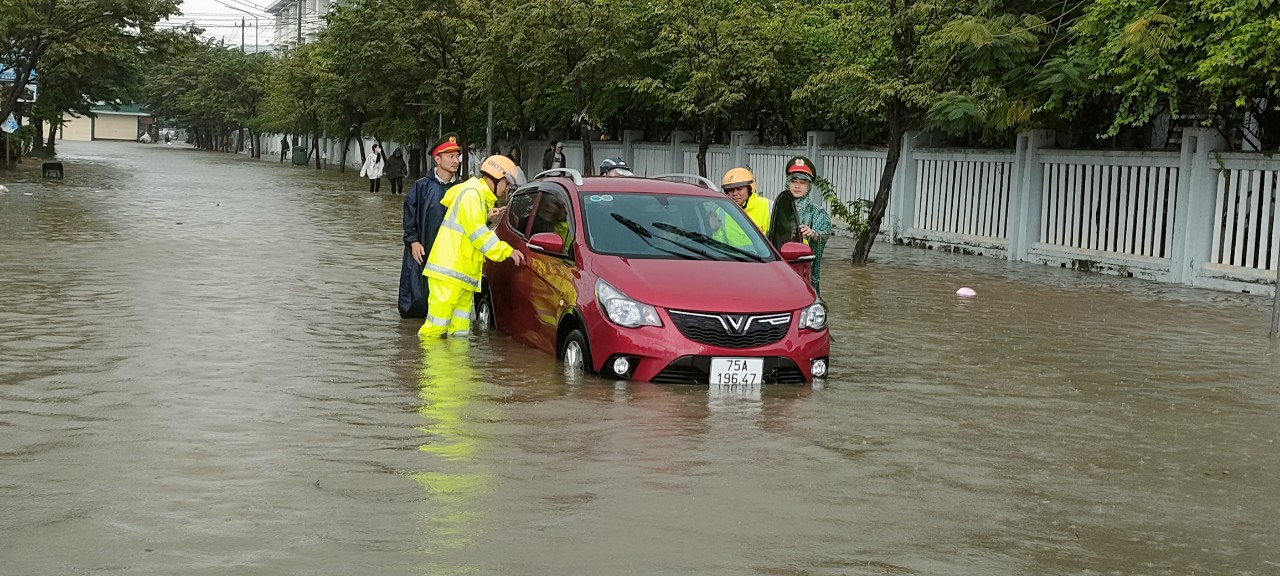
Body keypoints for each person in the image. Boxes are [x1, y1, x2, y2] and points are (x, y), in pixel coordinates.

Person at [419, 155, 528, 338]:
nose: (506, 189)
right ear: (495, 178)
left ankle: (457, 367)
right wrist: (507, 251)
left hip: (462, 275)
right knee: (434, 331)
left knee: (460, 333)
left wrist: (486, 215)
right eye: (506, 183)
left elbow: (470, 226)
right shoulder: (471, 194)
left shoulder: (477, 196)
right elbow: (479, 236)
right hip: (449, 273)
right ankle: (430, 367)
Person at [399, 134, 462, 319]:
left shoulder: (462, 188)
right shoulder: (421, 187)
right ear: (437, 159)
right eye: (450, 156)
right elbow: (409, 217)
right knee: (417, 302)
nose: (455, 161)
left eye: (457, 156)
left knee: (447, 308)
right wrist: (413, 241)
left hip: (451, 256)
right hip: (423, 250)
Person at [784, 156, 833, 292]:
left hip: (806, 274)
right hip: (779, 272)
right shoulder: (777, 209)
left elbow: (824, 237)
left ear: (809, 186)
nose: (797, 186)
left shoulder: (818, 213)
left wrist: (813, 235)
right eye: (793, 181)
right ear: (788, 183)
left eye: (803, 182)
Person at [710, 167, 770, 246]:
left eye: (739, 189)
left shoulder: (767, 206)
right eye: (730, 190)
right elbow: (719, 244)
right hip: (734, 257)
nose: (734, 193)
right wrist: (715, 230)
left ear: (749, 189)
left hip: (762, 257)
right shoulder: (721, 212)